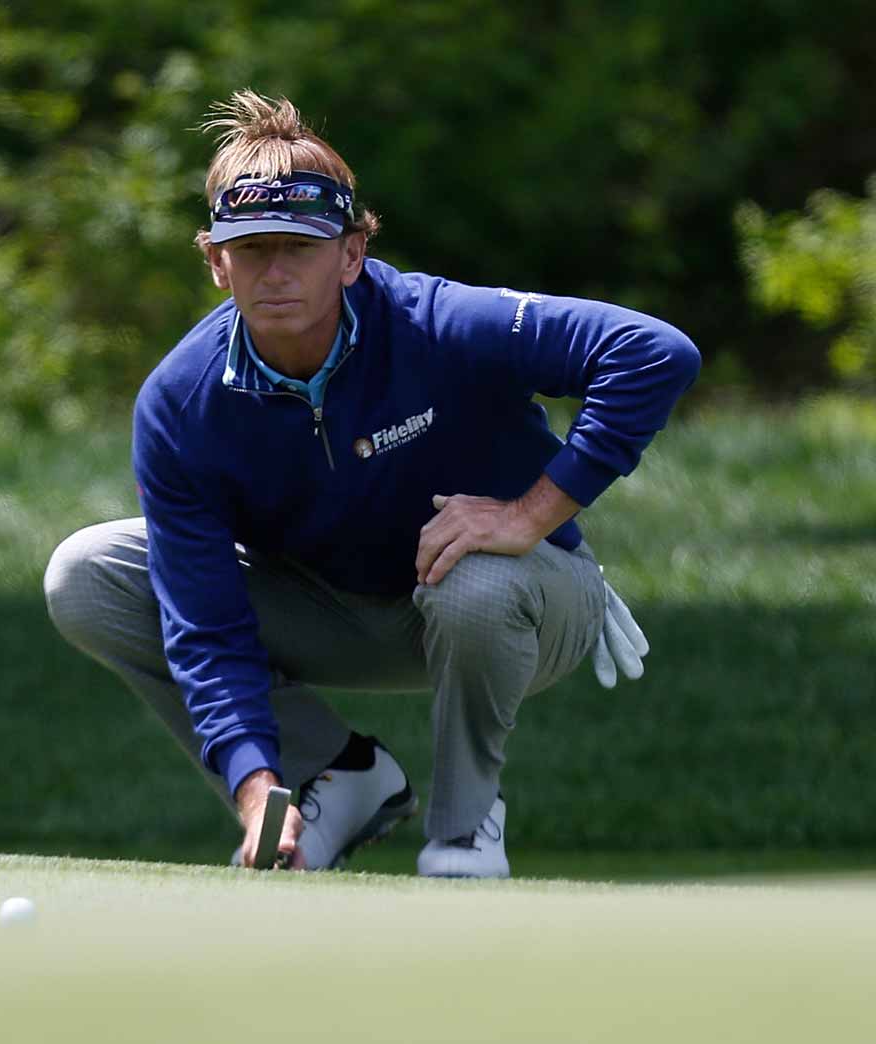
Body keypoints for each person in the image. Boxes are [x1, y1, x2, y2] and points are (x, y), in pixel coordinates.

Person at [42, 91, 696, 877]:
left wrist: (531, 515)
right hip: (332, 607)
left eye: (300, 246)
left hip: (519, 601)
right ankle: (339, 778)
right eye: (251, 249)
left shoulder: (437, 323)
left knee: (477, 581)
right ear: (216, 262)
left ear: (351, 254)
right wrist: (255, 787)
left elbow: (653, 353)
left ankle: (465, 831)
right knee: (87, 575)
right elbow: (208, 629)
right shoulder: (181, 405)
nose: (275, 272)